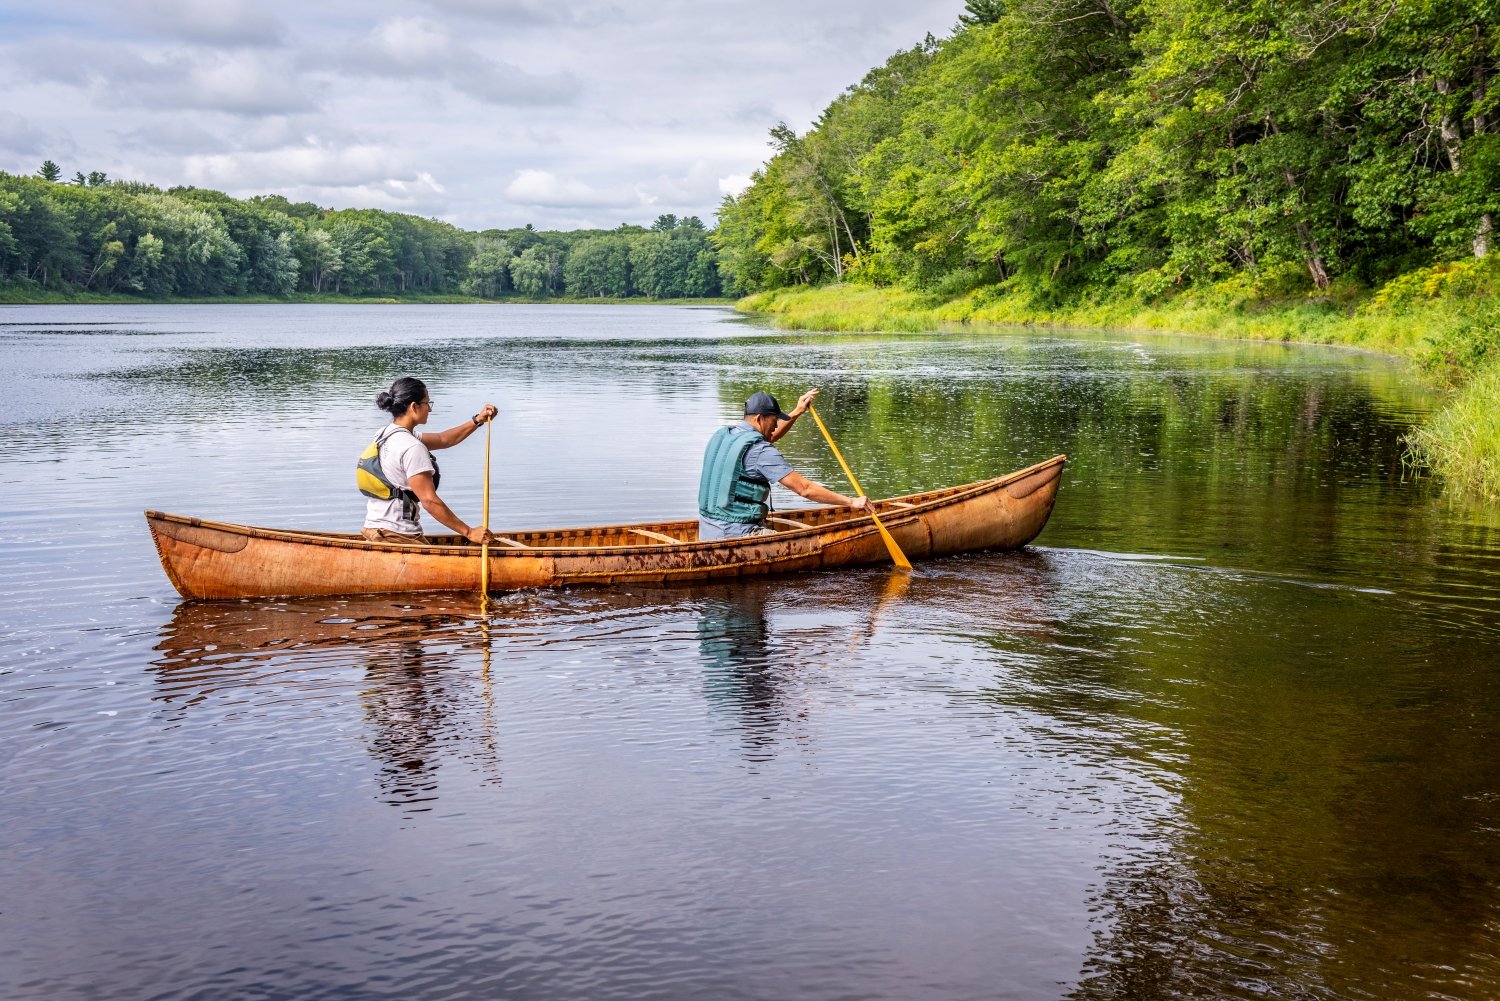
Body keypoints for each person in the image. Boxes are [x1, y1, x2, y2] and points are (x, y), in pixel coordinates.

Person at [697, 388, 870, 541]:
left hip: (707, 530)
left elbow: (769, 436)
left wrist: (797, 411)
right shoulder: (760, 451)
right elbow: (804, 488)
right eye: (773, 421)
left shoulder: (724, 436)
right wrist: (852, 502)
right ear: (759, 419)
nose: (775, 426)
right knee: (807, 543)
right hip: (737, 534)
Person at [360, 376, 497, 545]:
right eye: (427, 404)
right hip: (398, 534)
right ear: (414, 406)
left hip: (374, 528)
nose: (430, 410)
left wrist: (477, 420)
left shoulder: (385, 434)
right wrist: (469, 532)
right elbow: (429, 501)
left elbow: (443, 439)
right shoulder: (412, 448)